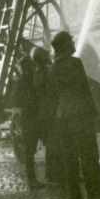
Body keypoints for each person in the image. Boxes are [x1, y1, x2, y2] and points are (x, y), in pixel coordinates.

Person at [50, 30, 100, 199]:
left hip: (63, 118)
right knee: (89, 155)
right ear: (65, 46)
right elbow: (84, 90)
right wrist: (94, 112)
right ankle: (96, 193)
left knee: (70, 157)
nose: (74, 44)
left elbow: (52, 96)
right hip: (81, 115)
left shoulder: (52, 69)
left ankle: (74, 195)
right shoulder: (75, 63)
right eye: (71, 42)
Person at [31, 46, 62, 186]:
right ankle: (54, 175)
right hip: (50, 113)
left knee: (51, 146)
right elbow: (54, 91)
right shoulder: (46, 73)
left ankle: (52, 175)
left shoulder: (37, 73)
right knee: (54, 145)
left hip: (43, 114)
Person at [12, 55, 43, 189]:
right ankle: (32, 180)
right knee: (29, 152)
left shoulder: (25, 81)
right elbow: (18, 103)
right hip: (29, 120)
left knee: (30, 151)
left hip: (31, 119)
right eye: (29, 66)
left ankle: (33, 180)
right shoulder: (24, 82)